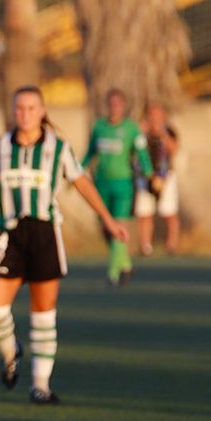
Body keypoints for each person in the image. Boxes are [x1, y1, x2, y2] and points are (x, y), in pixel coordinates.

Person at [0, 84, 128, 405]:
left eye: (31, 108)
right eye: (19, 108)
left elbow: (81, 182)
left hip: (44, 234)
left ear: (42, 112)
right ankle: (11, 352)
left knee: (43, 314)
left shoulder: (58, 148)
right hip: (8, 233)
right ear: (13, 112)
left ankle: (40, 385)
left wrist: (109, 220)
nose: (25, 114)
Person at [82, 88, 153, 286]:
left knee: (118, 226)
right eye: (111, 104)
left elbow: (142, 153)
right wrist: (77, 172)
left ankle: (113, 273)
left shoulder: (131, 129)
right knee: (106, 228)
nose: (114, 108)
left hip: (123, 185)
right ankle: (125, 264)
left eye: (118, 104)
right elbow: (90, 153)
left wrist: (149, 173)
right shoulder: (100, 127)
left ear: (123, 106)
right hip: (101, 185)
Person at [135, 101, 180, 256]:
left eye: (158, 115)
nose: (155, 118)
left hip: (165, 177)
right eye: (152, 115)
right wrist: (141, 132)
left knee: (169, 212)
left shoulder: (169, 131)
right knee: (144, 212)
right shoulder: (141, 133)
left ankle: (172, 245)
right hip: (145, 177)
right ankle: (145, 246)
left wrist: (163, 135)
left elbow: (174, 149)